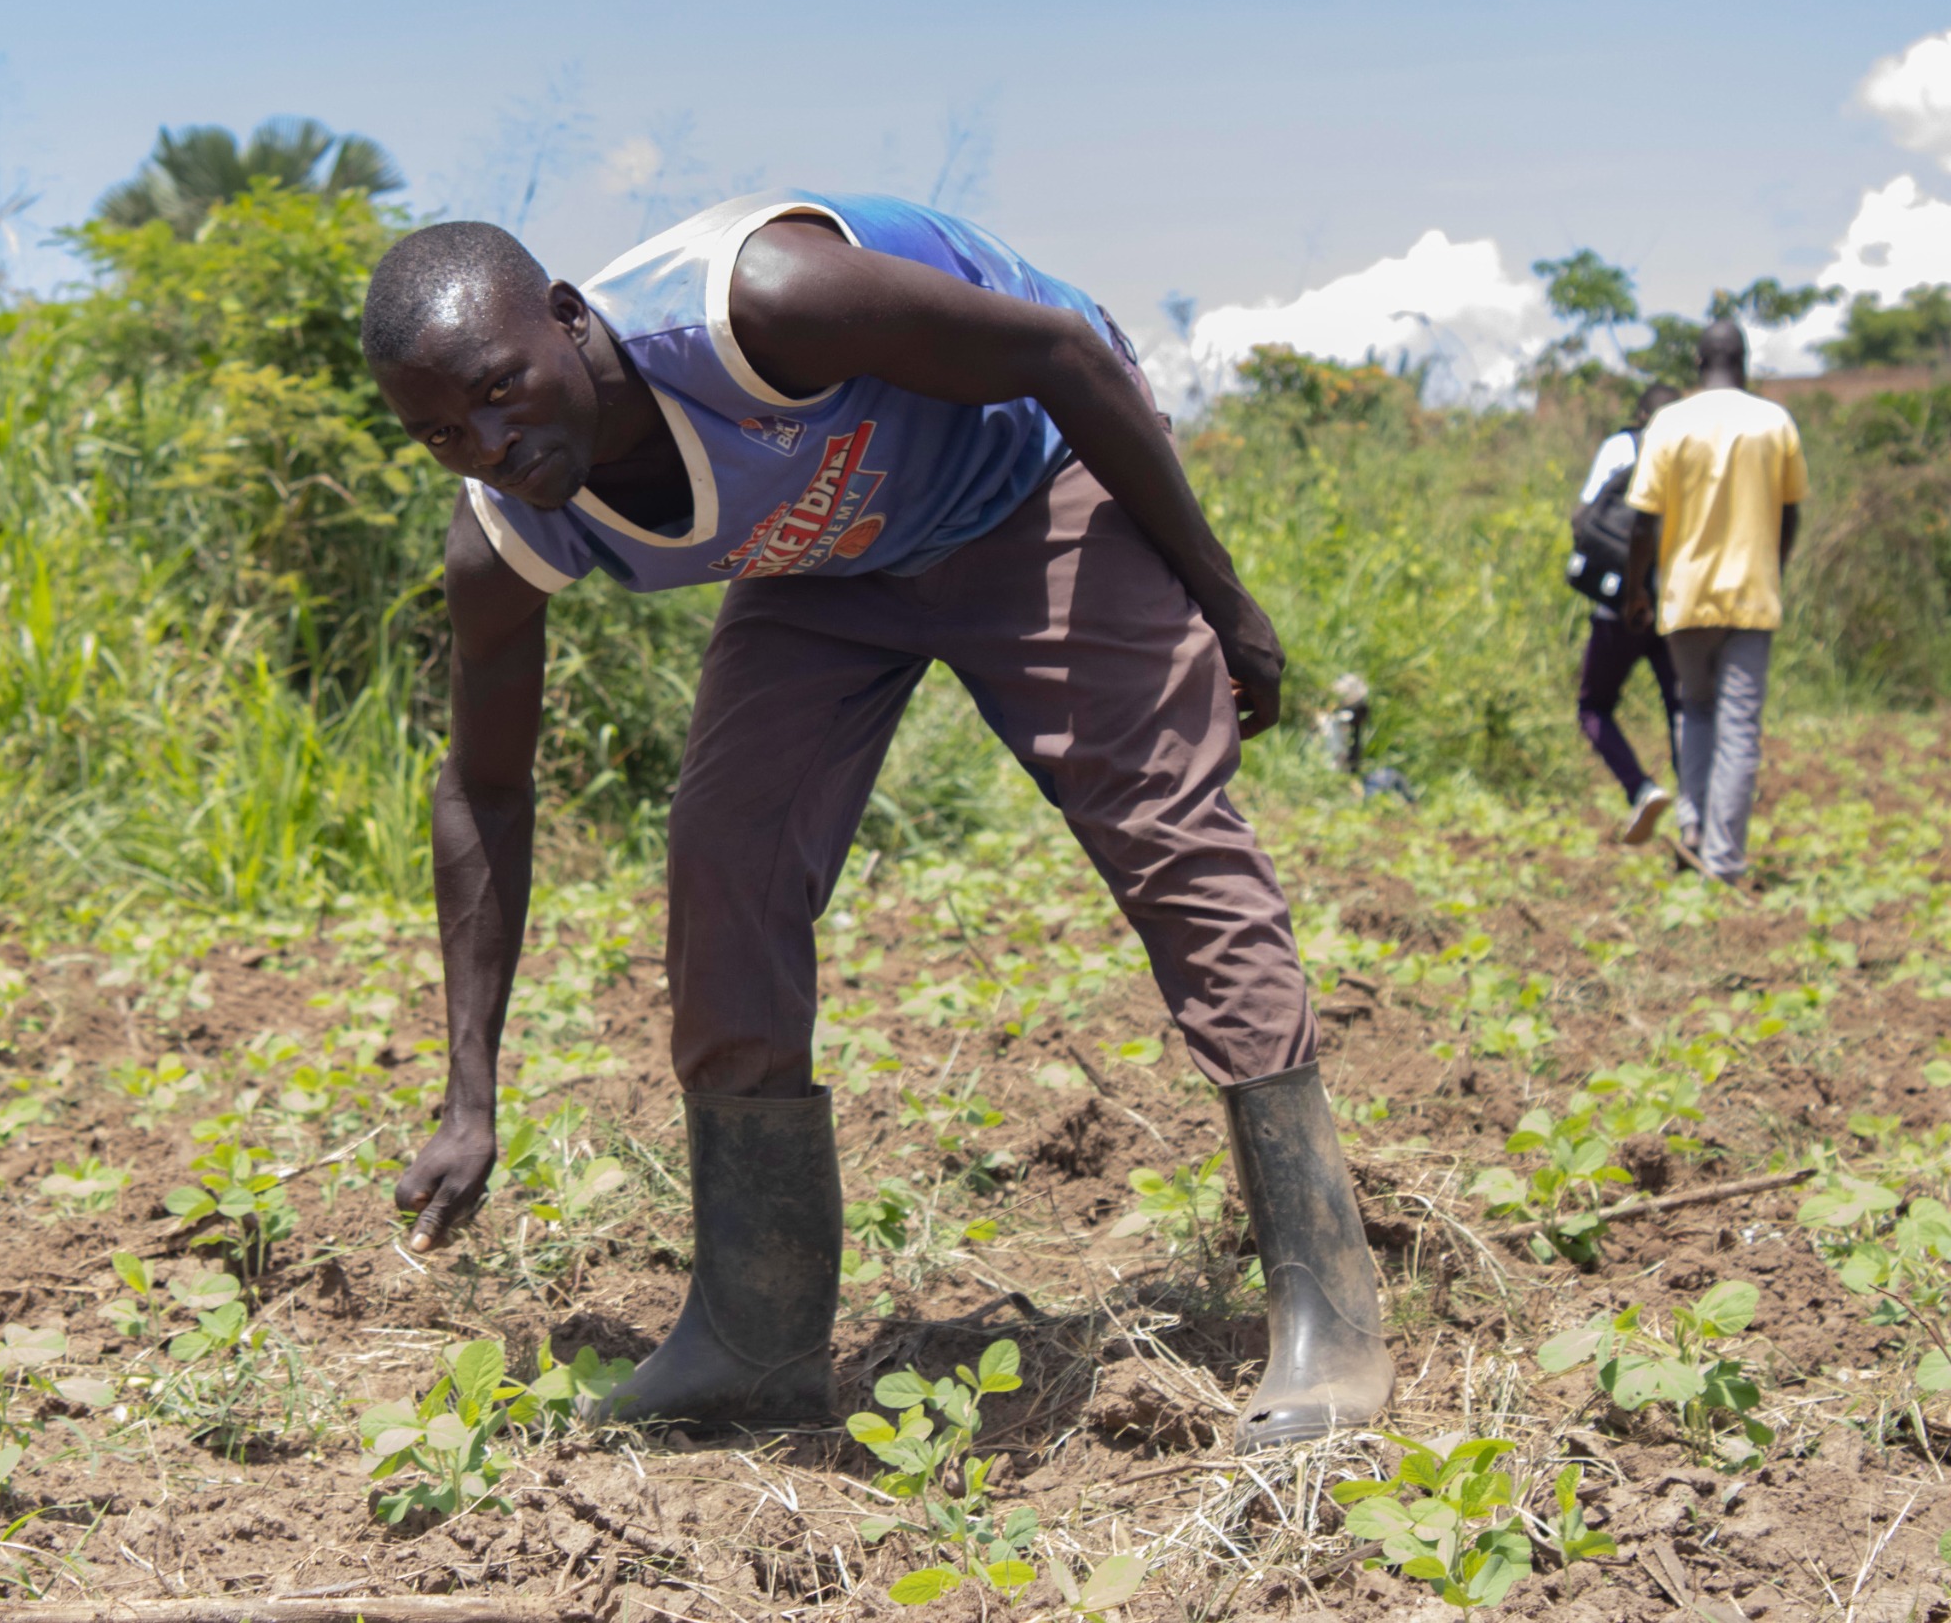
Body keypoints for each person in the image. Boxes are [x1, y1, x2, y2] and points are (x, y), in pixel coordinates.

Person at [358, 192, 1393, 1450]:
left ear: (569, 320)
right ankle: (757, 1327)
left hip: (1032, 477)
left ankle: (1324, 1299)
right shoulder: (512, 532)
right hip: (826, 562)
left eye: (501, 388)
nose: (489, 441)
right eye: (442, 432)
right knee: (724, 856)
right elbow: (485, 787)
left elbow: (1059, 356)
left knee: (1161, 825)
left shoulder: (765, 305)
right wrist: (470, 1091)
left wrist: (1223, 602)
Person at [1623, 319, 1806, 884]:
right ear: (1744, 362)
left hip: (1685, 596)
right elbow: (1790, 511)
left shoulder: (1670, 423)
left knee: (1695, 711)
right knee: (1739, 728)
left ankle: (1695, 829)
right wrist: (1773, 566)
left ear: (1699, 365)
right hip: (1751, 598)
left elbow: (1643, 520)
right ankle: (1724, 861)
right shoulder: (1774, 422)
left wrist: (1636, 588)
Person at [1570, 382, 1689, 844]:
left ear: (1641, 415)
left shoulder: (1622, 447)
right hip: (1675, 605)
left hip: (1619, 602)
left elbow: (1584, 518)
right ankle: (1694, 817)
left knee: (1593, 706)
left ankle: (1640, 787)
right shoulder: (1692, 455)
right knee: (1681, 712)